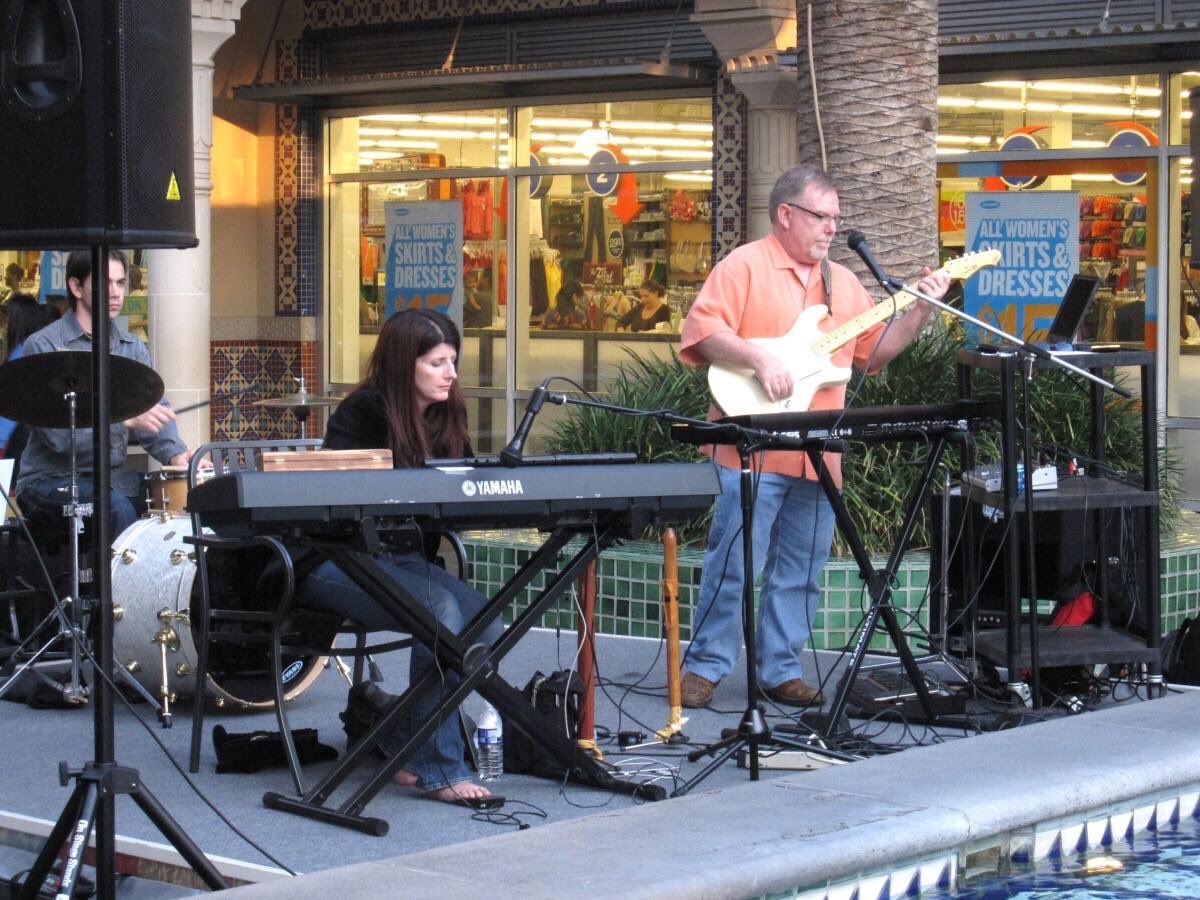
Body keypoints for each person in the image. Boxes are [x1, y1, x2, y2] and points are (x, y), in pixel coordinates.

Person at [677, 164, 950, 709]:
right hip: (751, 450)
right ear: (785, 214)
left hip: (819, 452)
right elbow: (702, 332)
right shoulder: (744, 265)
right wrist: (758, 359)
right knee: (734, 564)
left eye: (835, 218)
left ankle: (780, 670)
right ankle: (704, 667)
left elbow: (874, 354)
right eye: (821, 216)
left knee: (802, 571)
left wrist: (921, 307)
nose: (831, 228)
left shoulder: (842, 283)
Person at [294, 308, 501, 805]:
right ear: (405, 364)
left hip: (400, 562)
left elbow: (458, 493)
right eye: (437, 363)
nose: (451, 374)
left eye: (453, 361)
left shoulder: (444, 415)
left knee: (484, 621)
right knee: (439, 611)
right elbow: (337, 504)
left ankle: (403, 741)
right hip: (336, 560)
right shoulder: (362, 413)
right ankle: (439, 766)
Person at [16, 250, 191, 540]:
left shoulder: (132, 347)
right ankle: (124, 572)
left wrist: (177, 455)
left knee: (184, 501)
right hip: (49, 482)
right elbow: (59, 438)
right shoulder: (44, 346)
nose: (115, 292)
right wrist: (121, 419)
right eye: (104, 283)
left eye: (120, 283)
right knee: (116, 507)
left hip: (113, 480)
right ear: (75, 287)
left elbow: (155, 413)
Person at [0, 293, 46, 454]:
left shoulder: (22, 353)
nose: (4, 324)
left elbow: (12, 401)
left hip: (16, 438)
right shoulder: (33, 348)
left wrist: (1, 439)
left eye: (7, 318)